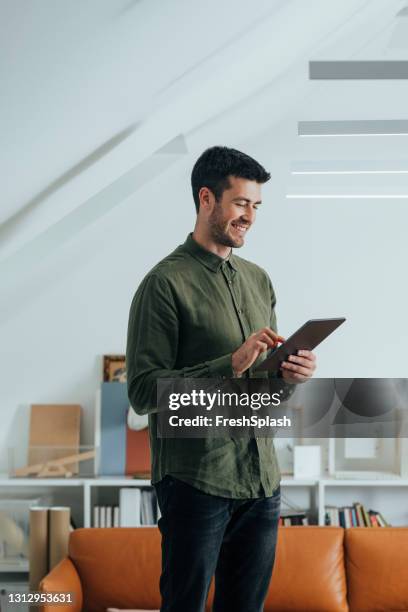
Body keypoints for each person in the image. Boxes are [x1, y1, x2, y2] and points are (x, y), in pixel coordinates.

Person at [126, 146, 316, 612]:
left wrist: (291, 374)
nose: (250, 216)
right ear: (206, 199)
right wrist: (228, 365)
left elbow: (264, 389)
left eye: (256, 205)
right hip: (196, 480)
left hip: (261, 481)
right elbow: (143, 391)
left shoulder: (258, 280)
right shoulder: (164, 284)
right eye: (240, 203)